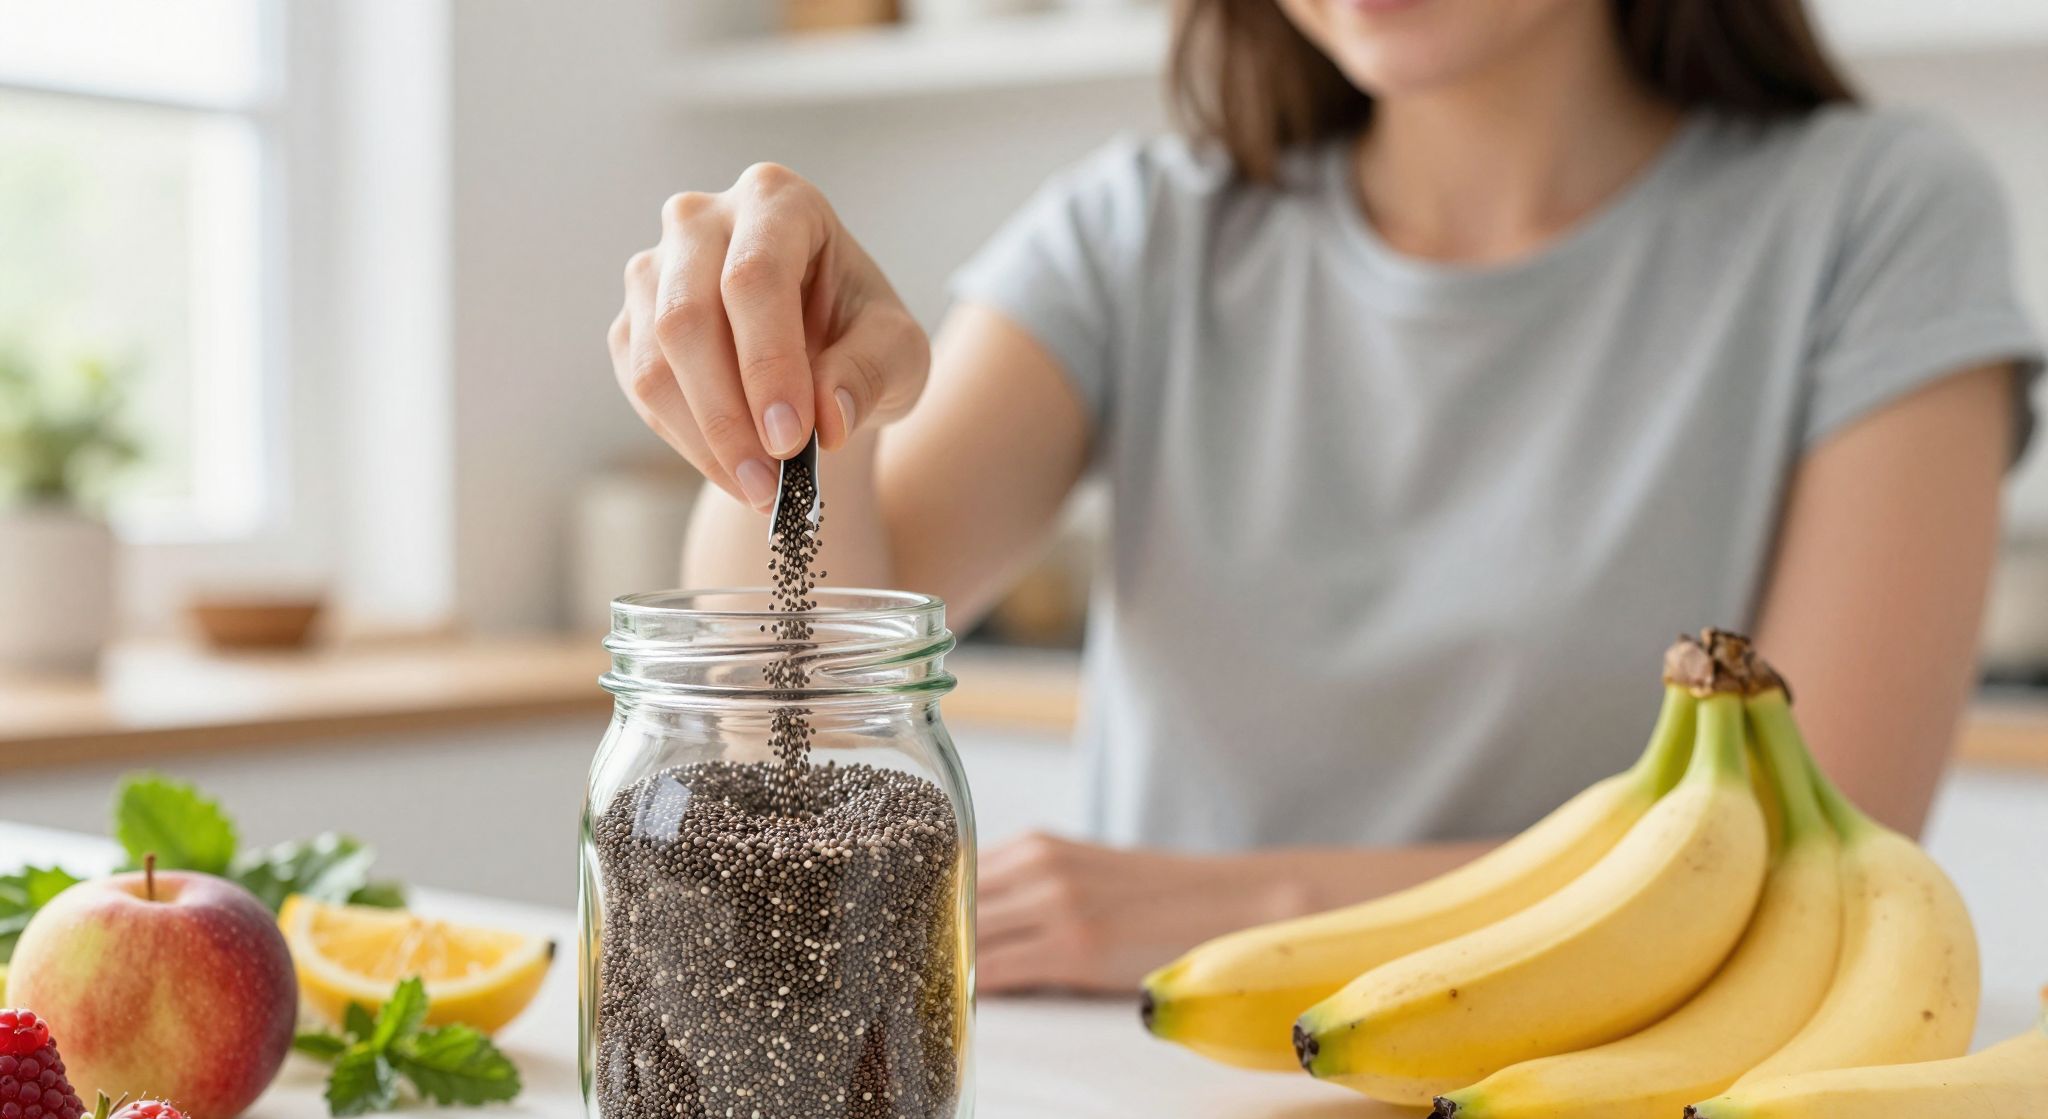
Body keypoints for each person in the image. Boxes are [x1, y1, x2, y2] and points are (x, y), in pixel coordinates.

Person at [608, 0, 2041, 996]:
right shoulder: (1144, 232)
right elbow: (783, 708)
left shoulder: (1876, 218)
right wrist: (794, 388)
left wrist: (1235, 909)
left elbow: (1820, 864)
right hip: (1139, 1117)